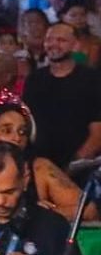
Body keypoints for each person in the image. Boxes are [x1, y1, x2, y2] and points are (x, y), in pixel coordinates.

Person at [0, 96, 93, 221]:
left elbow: (88, 210)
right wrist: (0, 210)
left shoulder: (40, 168)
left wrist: (40, 214)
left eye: (22, 132)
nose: (16, 137)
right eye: (7, 130)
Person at [21, 21, 101, 170]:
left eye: (61, 40)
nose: (53, 45)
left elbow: (97, 133)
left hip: (78, 169)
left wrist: (73, 165)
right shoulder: (34, 80)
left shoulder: (93, 80)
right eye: (49, 39)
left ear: (75, 45)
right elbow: (25, 123)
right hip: (38, 166)